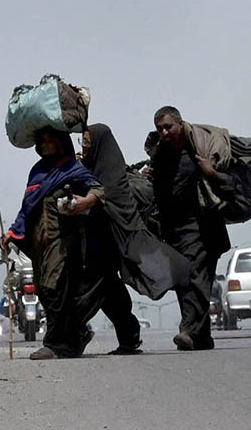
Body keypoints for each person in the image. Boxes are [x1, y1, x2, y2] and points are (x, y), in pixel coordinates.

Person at [76, 123, 191, 355]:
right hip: (96, 245)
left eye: (88, 142)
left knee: (90, 291)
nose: (84, 147)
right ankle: (128, 337)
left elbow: (111, 203)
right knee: (110, 293)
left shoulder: (111, 175)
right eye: (83, 142)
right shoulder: (91, 168)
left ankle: (68, 336)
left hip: (108, 243)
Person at [0, 128, 103, 360]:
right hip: (40, 242)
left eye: (50, 141)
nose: (45, 146)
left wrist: (84, 202)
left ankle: (54, 345)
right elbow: (27, 207)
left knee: (53, 288)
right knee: (45, 292)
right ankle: (76, 335)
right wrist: (11, 233)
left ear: (60, 142)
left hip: (64, 240)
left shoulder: (72, 168)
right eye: (42, 142)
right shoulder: (37, 171)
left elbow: (98, 189)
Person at [148, 106, 233, 351]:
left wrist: (211, 172)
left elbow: (229, 187)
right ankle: (202, 337)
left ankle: (187, 330)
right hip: (173, 229)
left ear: (180, 124)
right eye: (159, 128)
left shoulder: (199, 152)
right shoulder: (162, 154)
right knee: (185, 282)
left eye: (168, 126)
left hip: (202, 226)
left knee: (196, 276)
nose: (164, 132)